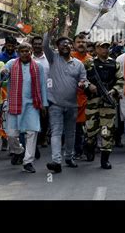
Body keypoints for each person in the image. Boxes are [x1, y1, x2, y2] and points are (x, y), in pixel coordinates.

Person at [0, 42, 48, 173]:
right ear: (18, 52)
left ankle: (28, 161)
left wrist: (44, 104)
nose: (25, 53)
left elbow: (42, 86)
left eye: (27, 51)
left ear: (31, 52)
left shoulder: (38, 66)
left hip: (32, 104)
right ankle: (19, 150)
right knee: (11, 134)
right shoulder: (12, 63)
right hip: (14, 103)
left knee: (31, 132)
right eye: (22, 51)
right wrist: (2, 72)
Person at [43, 18, 87, 173]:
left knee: (70, 133)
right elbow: (44, 44)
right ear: (58, 48)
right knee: (56, 132)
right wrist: (52, 28)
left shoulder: (79, 64)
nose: (65, 46)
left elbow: (84, 79)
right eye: (62, 44)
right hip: (55, 104)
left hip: (72, 105)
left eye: (68, 44)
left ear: (71, 47)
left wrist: (83, 83)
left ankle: (69, 157)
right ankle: (56, 161)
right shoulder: (53, 58)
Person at [83, 41, 124, 169]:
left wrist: (114, 90)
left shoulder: (115, 63)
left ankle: (104, 159)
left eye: (107, 47)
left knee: (107, 131)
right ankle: (89, 146)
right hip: (93, 102)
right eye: (102, 47)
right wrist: (89, 86)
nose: (105, 50)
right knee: (90, 130)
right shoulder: (89, 63)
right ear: (96, 49)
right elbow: (81, 78)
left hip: (108, 102)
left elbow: (121, 80)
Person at [71, 33, 92, 160]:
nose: (81, 44)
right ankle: (76, 151)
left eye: (83, 42)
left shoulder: (91, 60)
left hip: (87, 99)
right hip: (71, 99)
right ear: (74, 44)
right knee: (74, 128)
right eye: (78, 42)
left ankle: (88, 150)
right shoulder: (69, 58)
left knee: (88, 128)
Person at [31, 35, 50, 148]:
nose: (37, 46)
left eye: (39, 44)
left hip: (46, 92)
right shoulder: (28, 58)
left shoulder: (48, 58)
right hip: (31, 93)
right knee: (33, 116)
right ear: (32, 45)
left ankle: (43, 138)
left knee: (44, 116)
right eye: (36, 44)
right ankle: (34, 139)